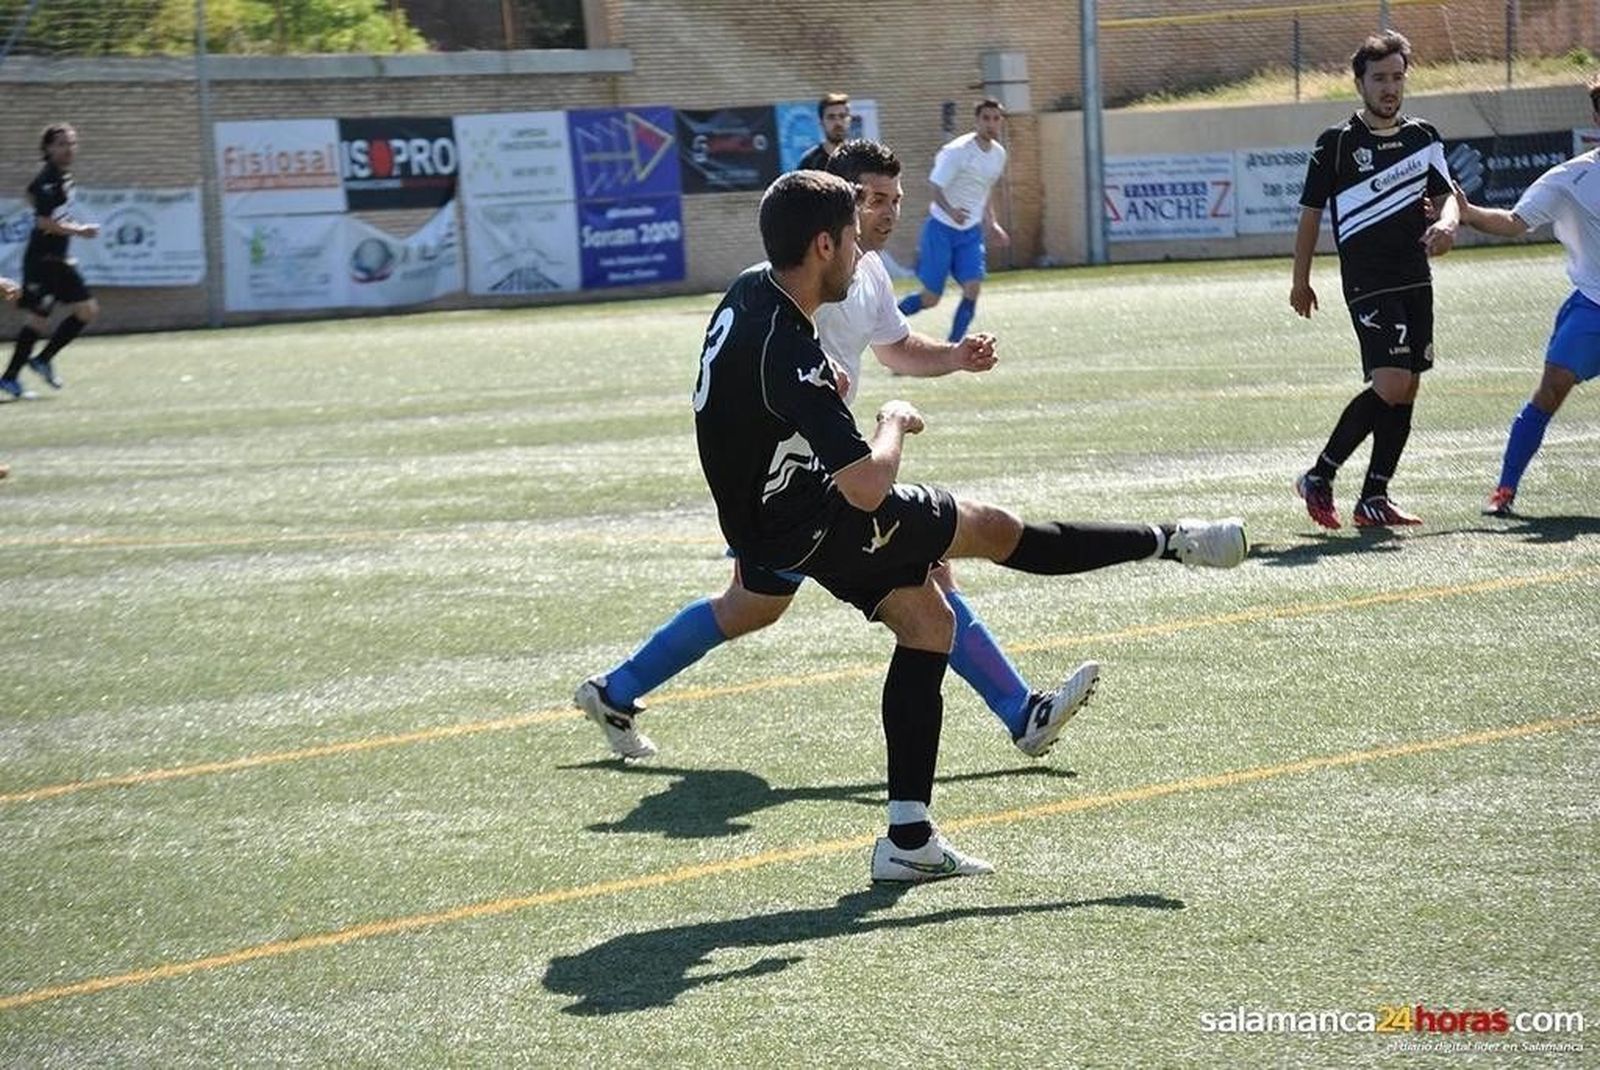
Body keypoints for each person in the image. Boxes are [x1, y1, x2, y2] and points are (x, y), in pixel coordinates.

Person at [688, 170, 1247, 881]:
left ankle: (909, 841)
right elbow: (865, 486)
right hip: (812, 515)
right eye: (855, 239)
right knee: (994, 530)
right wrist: (892, 422)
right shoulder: (791, 353)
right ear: (823, 243)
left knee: (928, 624)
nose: (863, 256)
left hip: (763, 520)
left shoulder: (748, 291)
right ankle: (1173, 540)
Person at [577, 140, 1098, 766]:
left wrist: (955, 357)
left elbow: (897, 347)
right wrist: (852, 408)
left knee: (751, 606)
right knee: (928, 570)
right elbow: (781, 372)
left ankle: (615, 690)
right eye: (871, 201)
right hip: (804, 482)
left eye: (894, 201)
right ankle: (1019, 713)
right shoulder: (812, 278)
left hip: (807, 472)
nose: (885, 214)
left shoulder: (866, 271)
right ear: (838, 212)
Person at [1290, 32, 1458, 529]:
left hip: (1415, 275)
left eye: (1397, 77)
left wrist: (1447, 223)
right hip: (1368, 279)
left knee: (1407, 388)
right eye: (1379, 78)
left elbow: (1447, 194)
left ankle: (1374, 498)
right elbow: (1309, 215)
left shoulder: (1422, 136)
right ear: (1360, 82)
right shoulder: (1337, 143)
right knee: (1389, 383)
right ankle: (1319, 475)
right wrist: (1301, 280)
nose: (1389, 87)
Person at [1452, 79, 1600, 517]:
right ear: (1596, 119)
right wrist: (1470, 213)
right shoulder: (1571, 179)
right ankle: (1505, 489)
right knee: (1551, 390)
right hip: (1593, 305)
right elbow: (1516, 221)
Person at [898, 99, 1010, 343]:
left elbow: (985, 190)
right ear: (977, 121)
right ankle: (885, 320)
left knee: (973, 288)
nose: (992, 124)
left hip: (970, 233)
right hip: (941, 229)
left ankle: (953, 349)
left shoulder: (999, 155)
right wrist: (951, 212)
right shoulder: (957, 151)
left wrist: (992, 223)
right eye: (986, 118)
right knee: (931, 298)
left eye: (996, 118)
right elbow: (936, 187)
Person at [1, 123, 100, 400]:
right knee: (38, 320)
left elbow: (54, 216)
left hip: (59, 260)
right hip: (42, 261)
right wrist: (80, 231)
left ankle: (39, 361)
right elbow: (44, 221)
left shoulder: (63, 179)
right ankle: (11, 377)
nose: (68, 149)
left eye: (71, 143)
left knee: (86, 311)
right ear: (47, 148)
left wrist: (72, 230)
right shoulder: (47, 180)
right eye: (61, 144)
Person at [797, 92, 851, 172]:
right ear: (821, 122)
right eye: (831, 117)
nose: (838, 123)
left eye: (842, 116)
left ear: (849, 120)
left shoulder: (862, 159)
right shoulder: (810, 162)